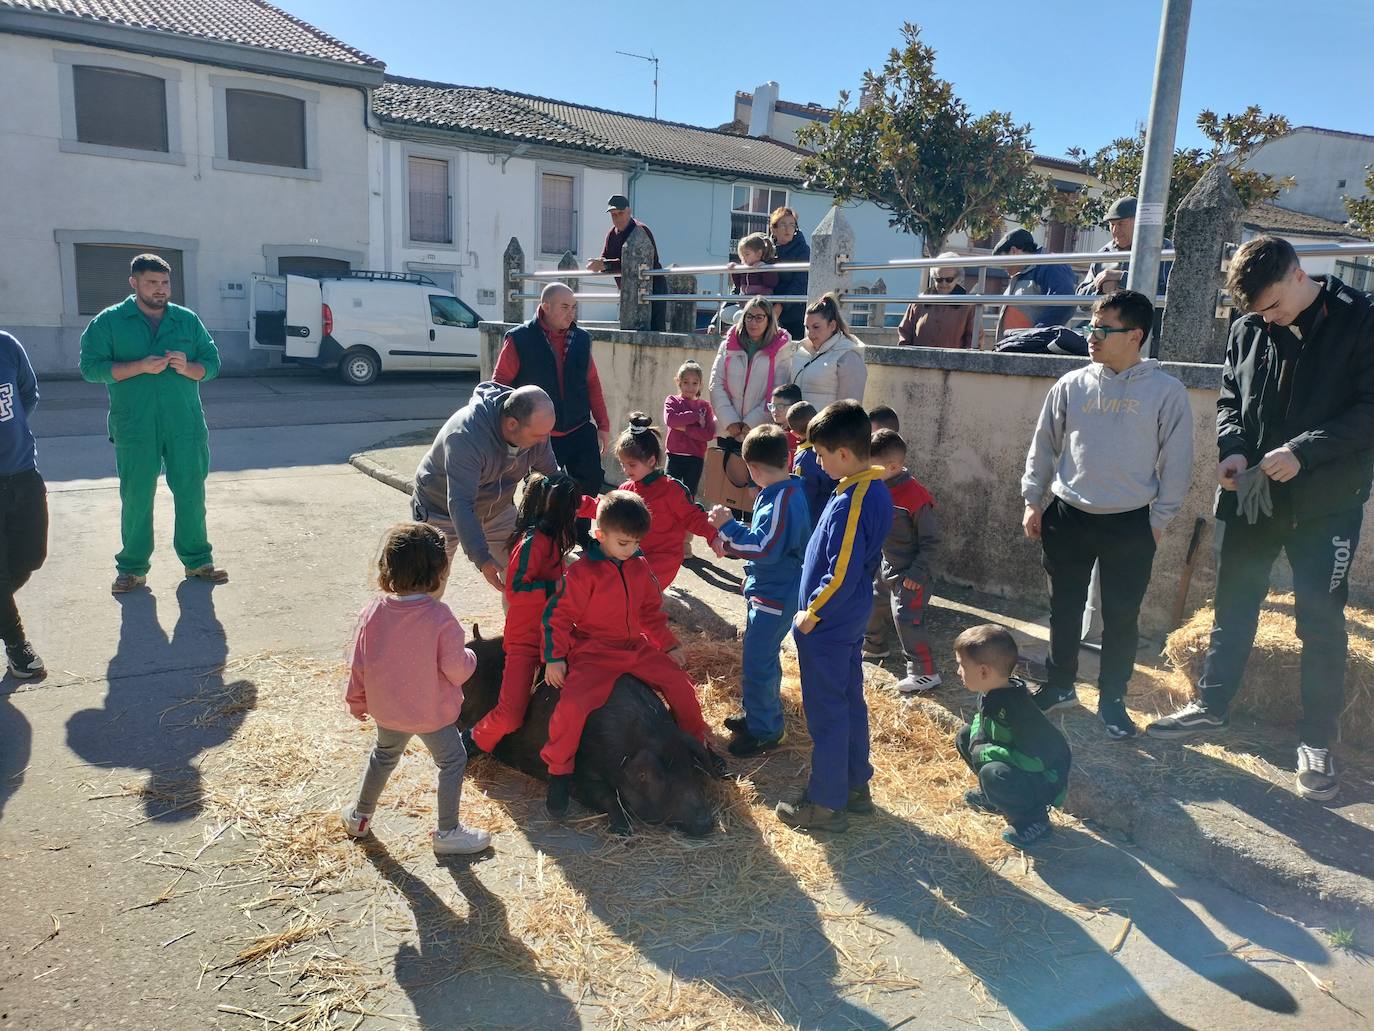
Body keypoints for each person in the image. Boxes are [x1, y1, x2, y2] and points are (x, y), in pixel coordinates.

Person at [1147, 237, 1374, 802]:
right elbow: (1230, 398)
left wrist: (1304, 450)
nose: (1266, 318)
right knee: (1234, 603)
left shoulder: (1362, 319)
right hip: (1253, 496)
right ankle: (1211, 706)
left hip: (1327, 500)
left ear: (1300, 275)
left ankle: (1317, 743)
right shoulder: (1249, 326)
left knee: (1320, 622)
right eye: (1256, 311)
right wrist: (1233, 448)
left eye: (1272, 306)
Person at [1021, 290, 1193, 738]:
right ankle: (1060, 686)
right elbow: (1044, 443)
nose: (1091, 337)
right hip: (1068, 513)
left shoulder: (1165, 392)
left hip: (1130, 521)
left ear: (1135, 335)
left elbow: (1178, 462)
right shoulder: (1072, 384)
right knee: (1064, 607)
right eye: (1090, 327)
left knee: (1121, 615)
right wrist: (1032, 499)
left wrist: (1159, 520)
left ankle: (1112, 698)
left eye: (1102, 329)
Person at [541, 490, 723, 817]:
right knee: (572, 706)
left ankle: (697, 749)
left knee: (680, 685)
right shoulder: (582, 573)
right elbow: (557, 616)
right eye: (624, 543)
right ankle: (559, 772)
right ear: (600, 535)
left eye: (637, 543)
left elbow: (651, 611)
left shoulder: (638, 566)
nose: (632, 550)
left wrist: (668, 643)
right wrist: (554, 656)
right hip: (593, 651)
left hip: (634, 647)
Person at [776, 401, 893, 833]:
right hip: (846, 618)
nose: (817, 463)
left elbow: (840, 569)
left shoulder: (853, 500)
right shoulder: (864, 487)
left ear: (843, 453)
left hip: (829, 622)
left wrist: (812, 612)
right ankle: (855, 785)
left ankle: (826, 803)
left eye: (821, 455)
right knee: (847, 701)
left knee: (826, 711)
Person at [78, 253, 226, 593]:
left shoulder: (186, 321)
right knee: (136, 497)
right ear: (134, 283)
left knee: (191, 492)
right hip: (135, 425)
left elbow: (213, 363)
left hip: (184, 425)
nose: (160, 290)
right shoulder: (110, 322)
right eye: (152, 283)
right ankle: (131, 568)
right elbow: (91, 368)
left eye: (165, 283)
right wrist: (139, 367)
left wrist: (189, 368)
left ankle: (197, 561)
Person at [342, 523, 491, 856]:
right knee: (453, 761)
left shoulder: (373, 611)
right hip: (431, 714)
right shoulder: (440, 618)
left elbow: (359, 661)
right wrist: (472, 658)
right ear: (439, 571)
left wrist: (356, 699)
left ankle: (360, 817)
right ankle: (448, 832)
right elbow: (456, 670)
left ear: (389, 567)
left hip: (388, 711)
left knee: (383, 757)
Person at [709, 425, 810, 757]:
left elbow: (765, 547)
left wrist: (727, 525)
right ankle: (758, 715)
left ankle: (766, 730)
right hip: (770, 589)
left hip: (775, 593)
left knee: (759, 661)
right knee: (760, 658)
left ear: (752, 468)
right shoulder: (785, 492)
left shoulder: (781, 499)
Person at [463, 472, 580, 758]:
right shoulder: (531, 542)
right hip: (525, 640)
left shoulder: (552, 540)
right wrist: (557, 586)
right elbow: (516, 590)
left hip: (552, 633)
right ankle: (473, 740)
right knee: (510, 714)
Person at [412, 383, 559, 594]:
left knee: (523, 572)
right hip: (440, 511)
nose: (544, 440)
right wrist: (481, 557)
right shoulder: (466, 437)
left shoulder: (536, 432)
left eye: (547, 433)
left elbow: (553, 474)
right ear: (511, 424)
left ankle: (519, 626)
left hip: (497, 509)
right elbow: (461, 504)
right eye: (538, 435)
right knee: (427, 587)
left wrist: (574, 499)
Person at [953, 624, 1071, 849]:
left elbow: (1036, 760)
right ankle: (997, 797)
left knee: (993, 771)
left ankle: (1034, 819)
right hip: (1022, 763)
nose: (958, 672)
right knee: (965, 735)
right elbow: (982, 719)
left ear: (984, 671)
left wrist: (988, 751)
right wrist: (978, 741)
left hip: (1046, 778)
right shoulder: (992, 692)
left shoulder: (1019, 710)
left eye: (962, 666)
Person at [492, 283, 611, 503]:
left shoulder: (581, 339)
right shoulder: (520, 338)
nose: (571, 313)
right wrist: (505, 432)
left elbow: (592, 383)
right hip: (538, 434)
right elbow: (499, 386)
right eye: (565, 307)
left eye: (573, 307)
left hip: (578, 427)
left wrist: (603, 425)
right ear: (545, 306)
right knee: (539, 491)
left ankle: (579, 532)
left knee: (589, 483)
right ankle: (537, 536)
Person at [577, 414, 717, 590]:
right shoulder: (627, 488)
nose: (626, 470)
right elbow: (605, 507)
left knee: (627, 592)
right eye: (623, 464)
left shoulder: (672, 490)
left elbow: (695, 517)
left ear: (651, 460)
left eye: (632, 465)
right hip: (632, 555)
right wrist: (576, 504)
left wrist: (716, 537)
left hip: (662, 562)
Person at [864, 430, 941, 694]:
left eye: (871, 466)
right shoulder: (878, 485)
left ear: (893, 467)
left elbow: (932, 542)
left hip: (912, 572)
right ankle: (874, 645)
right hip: (887, 566)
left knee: (907, 617)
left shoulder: (915, 497)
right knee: (875, 602)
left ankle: (924, 671)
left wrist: (918, 572)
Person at [0, 331, 46, 679]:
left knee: (31, 557)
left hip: (22, 471)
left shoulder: (7, 345)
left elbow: (28, 395)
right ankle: (16, 643)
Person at [709, 296, 795, 448]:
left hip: (760, 432)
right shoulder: (727, 346)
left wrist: (751, 424)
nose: (753, 322)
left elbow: (777, 392)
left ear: (769, 320)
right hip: (728, 430)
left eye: (759, 317)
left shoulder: (781, 349)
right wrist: (730, 421)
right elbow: (716, 384)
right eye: (749, 317)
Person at [587, 195, 665, 331]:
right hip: (628, 293)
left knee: (655, 331)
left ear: (629, 211)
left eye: (620, 213)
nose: (617, 218)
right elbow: (605, 259)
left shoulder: (640, 230)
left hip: (652, 289)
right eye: (613, 215)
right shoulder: (612, 234)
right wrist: (598, 264)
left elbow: (637, 265)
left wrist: (606, 265)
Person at [992, 228, 1077, 338]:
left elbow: (1065, 302)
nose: (1002, 267)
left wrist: (1038, 334)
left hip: (1032, 347)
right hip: (1017, 346)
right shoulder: (1020, 274)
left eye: (1002, 261)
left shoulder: (1050, 265)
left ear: (1013, 251)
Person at [791, 293, 867, 409]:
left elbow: (849, 409)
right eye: (807, 327)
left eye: (816, 327)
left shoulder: (848, 356)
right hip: (798, 425)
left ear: (832, 325)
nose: (810, 333)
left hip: (826, 426)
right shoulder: (801, 351)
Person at [662, 360, 716, 497]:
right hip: (674, 456)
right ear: (678, 382)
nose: (690, 387)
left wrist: (685, 429)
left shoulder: (705, 406)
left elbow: (708, 434)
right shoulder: (672, 400)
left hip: (695, 459)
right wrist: (696, 417)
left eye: (694, 383)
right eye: (686, 382)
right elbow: (671, 420)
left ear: (700, 384)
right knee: (668, 492)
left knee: (688, 495)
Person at [898, 255, 976, 349]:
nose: (943, 284)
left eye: (949, 280)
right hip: (919, 360)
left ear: (957, 279)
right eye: (939, 280)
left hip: (951, 362)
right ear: (933, 278)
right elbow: (904, 334)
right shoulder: (919, 302)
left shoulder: (968, 305)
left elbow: (974, 342)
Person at [788, 400, 834, 528]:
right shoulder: (832, 445)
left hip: (814, 521)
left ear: (794, 433)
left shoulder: (804, 459)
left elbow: (804, 496)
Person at [768, 207, 811, 342]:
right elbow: (747, 280)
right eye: (783, 225)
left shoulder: (802, 250)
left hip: (793, 313)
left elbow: (801, 282)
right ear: (773, 229)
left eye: (792, 225)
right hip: (767, 309)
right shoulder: (765, 248)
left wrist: (780, 306)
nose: (788, 229)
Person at [730, 233, 780, 297]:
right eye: (742, 255)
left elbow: (772, 283)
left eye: (747, 254)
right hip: (744, 302)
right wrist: (735, 269)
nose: (744, 258)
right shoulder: (745, 268)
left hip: (760, 303)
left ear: (759, 253)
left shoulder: (766, 267)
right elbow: (738, 284)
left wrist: (764, 269)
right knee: (727, 307)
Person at [769, 382, 803, 465]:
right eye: (772, 406)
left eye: (780, 407)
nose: (774, 411)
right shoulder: (772, 434)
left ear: (795, 406)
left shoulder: (802, 435)